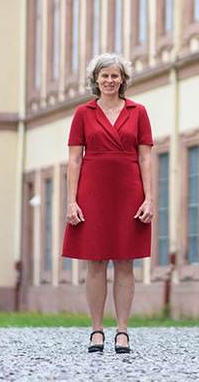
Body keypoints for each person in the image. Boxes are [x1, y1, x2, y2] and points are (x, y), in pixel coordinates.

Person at [63, 53, 154, 354]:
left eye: (115, 75)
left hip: (129, 191)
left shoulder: (138, 111)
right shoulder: (83, 113)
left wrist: (149, 198)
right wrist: (71, 201)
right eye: (105, 75)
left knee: (126, 262)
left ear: (123, 79)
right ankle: (97, 330)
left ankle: (123, 332)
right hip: (93, 191)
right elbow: (75, 159)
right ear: (96, 80)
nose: (110, 80)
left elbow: (146, 158)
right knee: (96, 261)